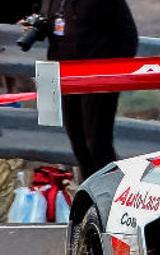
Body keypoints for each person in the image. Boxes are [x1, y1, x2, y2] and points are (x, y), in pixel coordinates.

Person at [21, 0, 138, 181]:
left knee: (97, 144)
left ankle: (111, 195)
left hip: (98, 80)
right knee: (78, 144)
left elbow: (129, 35)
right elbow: (55, 26)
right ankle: (89, 199)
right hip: (61, 76)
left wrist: (114, 74)